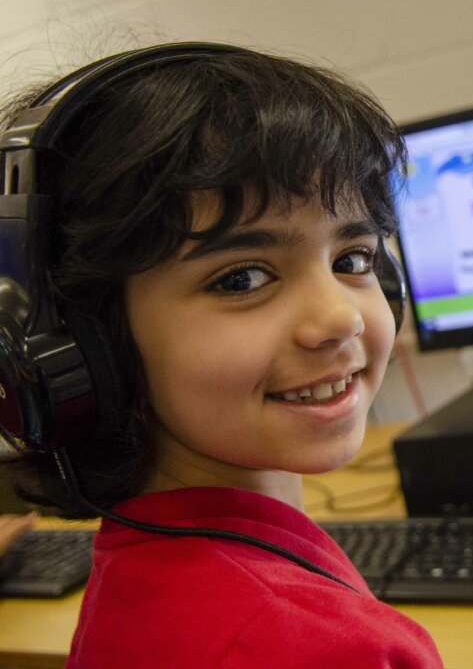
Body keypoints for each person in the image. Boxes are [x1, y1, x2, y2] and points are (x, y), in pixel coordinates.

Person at [0, 44, 443, 667]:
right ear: (84, 346)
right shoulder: (301, 647)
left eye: (354, 260)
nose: (340, 316)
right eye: (242, 278)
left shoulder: (157, 561)